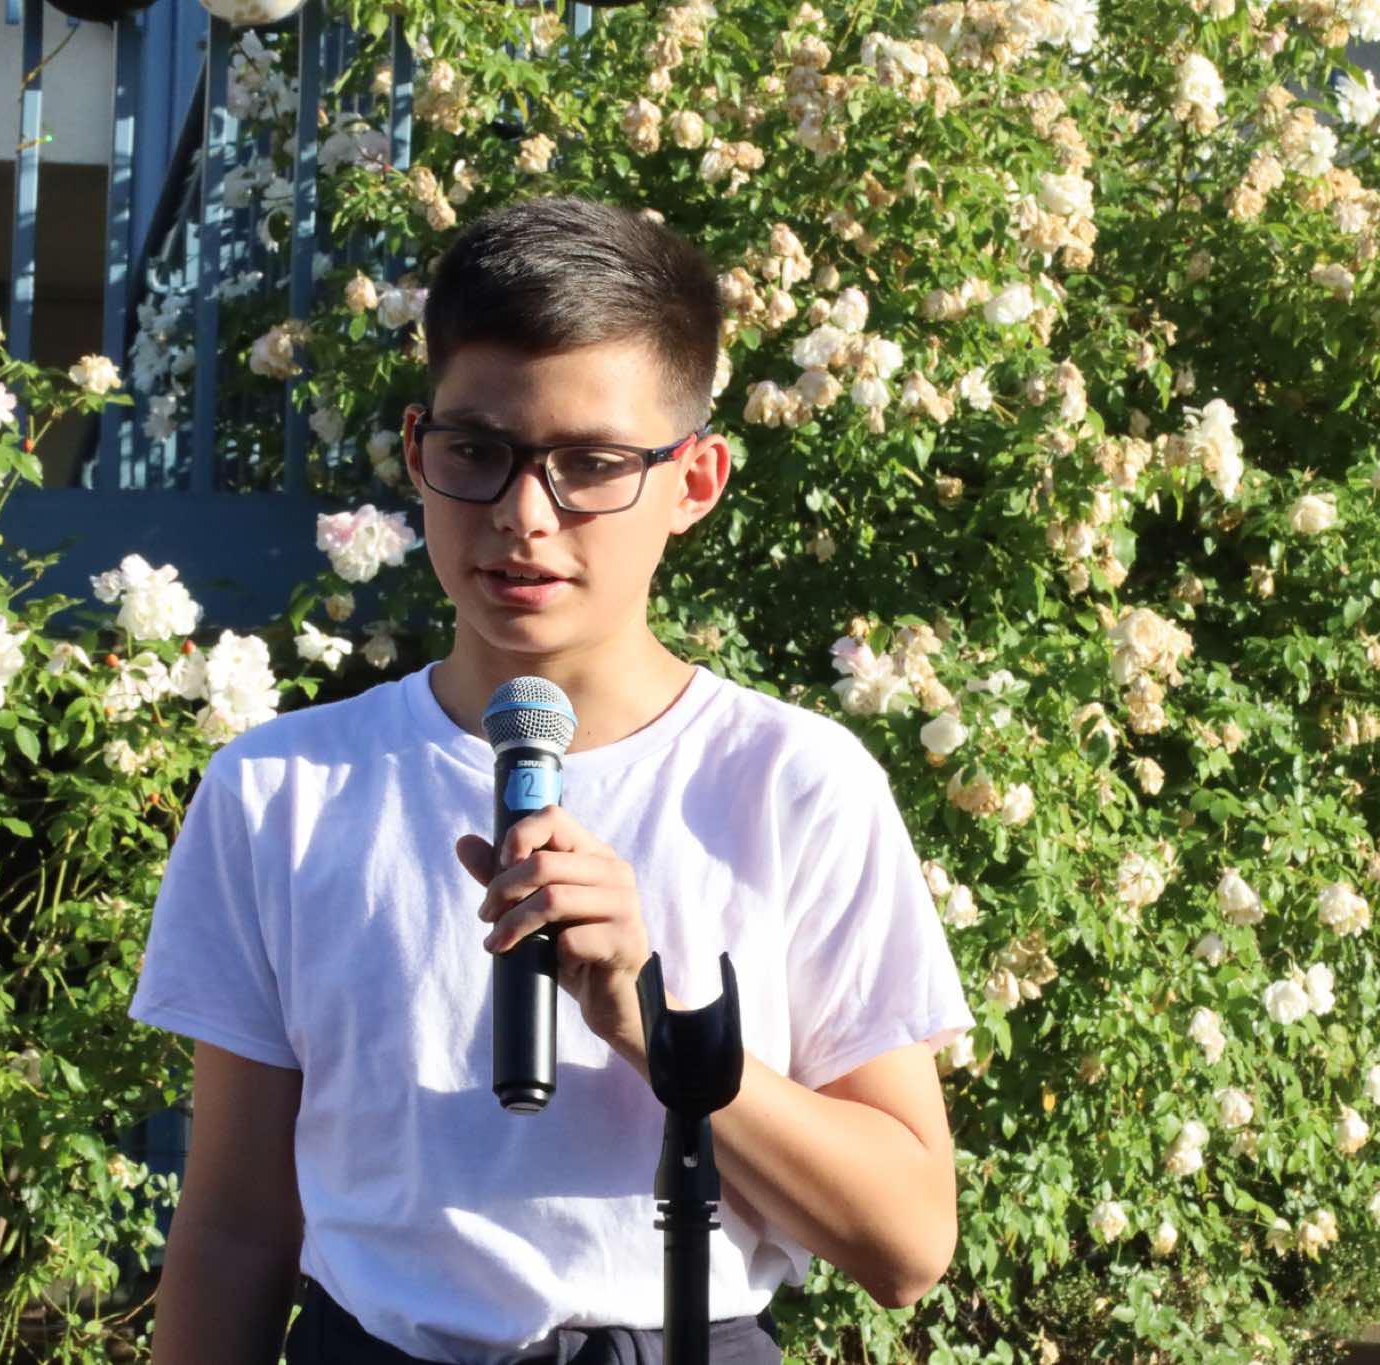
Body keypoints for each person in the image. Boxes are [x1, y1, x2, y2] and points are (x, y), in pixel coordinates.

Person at [130, 196, 973, 1365]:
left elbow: (907, 1241)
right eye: (477, 453)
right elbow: (234, 1227)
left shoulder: (790, 783)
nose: (524, 518)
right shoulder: (283, 791)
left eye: (590, 465)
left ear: (694, 481)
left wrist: (649, 1023)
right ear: (418, 451)